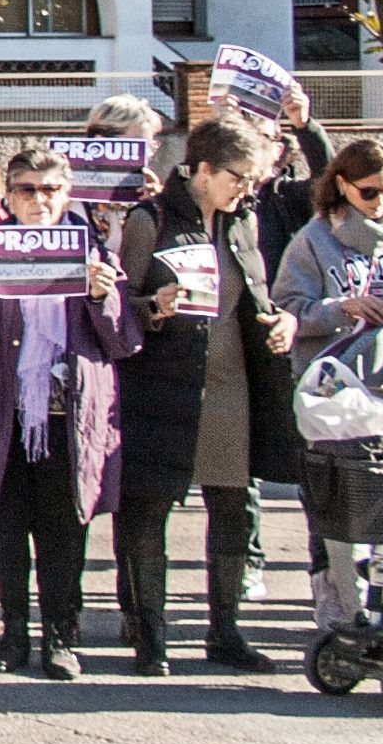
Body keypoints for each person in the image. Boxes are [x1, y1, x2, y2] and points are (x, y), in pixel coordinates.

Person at [0, 145, 137, 678]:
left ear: (66, 194)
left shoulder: (93, 254)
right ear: (10, 195)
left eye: (50, 190)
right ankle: (13, 635)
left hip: (68, 418)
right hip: (8, 416)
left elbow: (122, 342)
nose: (39, 201)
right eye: (27, 190)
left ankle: (59, 636)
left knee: (64, 532)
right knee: (7, 532)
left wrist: (103, 297)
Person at [113, 112, 299, 676]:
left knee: (232, 509)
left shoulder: (244, 224)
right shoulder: (151, 220)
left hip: (230, 387)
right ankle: (150, 637)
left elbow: (258, 297)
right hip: (162, 386)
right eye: (239, 177)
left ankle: (226, 632)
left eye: (254, 179)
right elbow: (120, 307)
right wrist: (153, 309)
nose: (248, 189)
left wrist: (280, 322)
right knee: (148, 512)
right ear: (201, 170)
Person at [269, 135, 383, 632]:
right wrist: (339, 309)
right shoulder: (314, 239)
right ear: (341, 185)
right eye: (370, 192)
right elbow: (288, 309)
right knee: (332, 497)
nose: (382, 201)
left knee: (382, 498)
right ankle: (335, 599)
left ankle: (375, 600)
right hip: (331, 393)